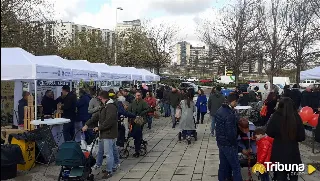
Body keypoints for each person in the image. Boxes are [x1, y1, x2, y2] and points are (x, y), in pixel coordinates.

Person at [82, 91, 119, 179]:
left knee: (108, 153)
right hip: (104, 133)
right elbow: (96, 116)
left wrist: (99, 128)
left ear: (102, 98)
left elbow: (109, 121)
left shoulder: (110, 107)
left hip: (108, 133)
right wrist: (87, 124)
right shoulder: (104, 106)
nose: (99, 100)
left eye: (99, 98)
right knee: (104, 151)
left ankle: (109, 171)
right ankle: (113, 166)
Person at [266, 97, 305, 181]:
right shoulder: (296, 117)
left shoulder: (275, 116)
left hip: (279, 153)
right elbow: (302, 136)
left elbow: (269, 131)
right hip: (293, 153)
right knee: (294, 176)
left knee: (280, 176)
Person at [215, 94, 242, 181]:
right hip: (229, 144)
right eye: (237, 102)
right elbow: (231, 133)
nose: (237, 104)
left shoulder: (220, 109)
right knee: (236, 167)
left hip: (221, 142)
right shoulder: (229, 114)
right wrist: (236, 145)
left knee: (223, 166)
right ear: (233, 101)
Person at [127, 91, 150, 158]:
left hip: (140, 120)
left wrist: (141, 113)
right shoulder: (133, 102)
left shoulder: (143, 102)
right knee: (135, 134)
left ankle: (138, 148)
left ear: (141, 96)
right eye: (137, 95)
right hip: (134, 120)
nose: (138, 97)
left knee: (138, 133)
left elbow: (148, 109)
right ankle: (139, 142)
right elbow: (129, 110)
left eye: (139, 95)